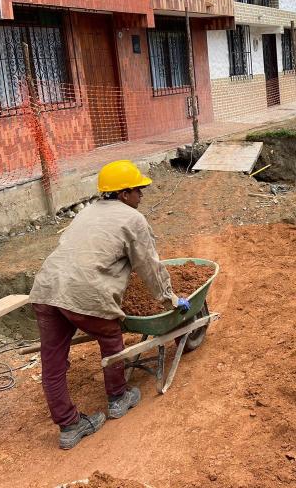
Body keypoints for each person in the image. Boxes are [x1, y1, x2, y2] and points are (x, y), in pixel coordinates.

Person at [29, 160, 191, 449]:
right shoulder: (133, 219)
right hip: (84, 293)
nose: (142, 196)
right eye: (139, 190)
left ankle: (69, 427)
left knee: (52, 364)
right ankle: (119, 397)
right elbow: (149, 266)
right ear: (124, 193)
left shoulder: (88, 211)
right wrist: (170, 298)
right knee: (110, 335)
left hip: (46, 289)